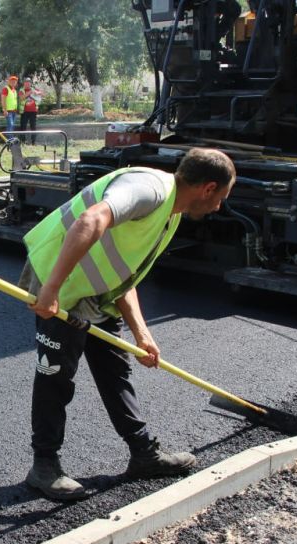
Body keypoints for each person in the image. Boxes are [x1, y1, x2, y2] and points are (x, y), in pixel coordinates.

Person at [19, 148, 236, 501]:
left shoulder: (170, 213)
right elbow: (90, 220)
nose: (218, 207)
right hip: (59, 286)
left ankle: (143, 454)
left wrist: (141, 333)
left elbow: (122, 268)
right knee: (55, 377)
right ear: (208, 188)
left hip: (97, 292)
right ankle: (44, 466)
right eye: (221, 198)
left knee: (115, 371)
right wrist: (51, 290)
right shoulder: (149, 190)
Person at [18, 78, 41, 145]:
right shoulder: (21, 90)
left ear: (31, 83)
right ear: (24, 83)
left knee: (33, 127)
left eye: (29, 82)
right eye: (26, 82)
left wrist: (37, 92)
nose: (27, 83)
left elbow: (42, 94)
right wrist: (29, 92)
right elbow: (21, 97)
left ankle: (33, 142)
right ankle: (23, 141)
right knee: (23, 127)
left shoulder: (34, 89)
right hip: (24, 112)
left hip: (33, 112)